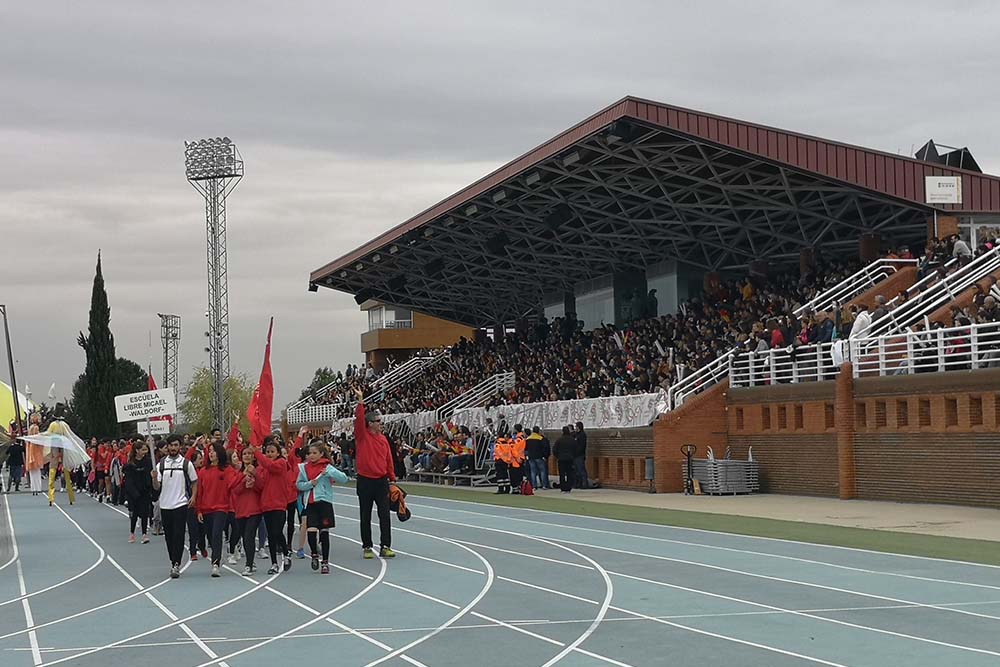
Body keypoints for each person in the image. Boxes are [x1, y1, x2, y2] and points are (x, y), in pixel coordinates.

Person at [352, 386, 396, 560]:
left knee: (384, 515)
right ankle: (367, 546)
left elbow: (388, 459)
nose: (380, 423)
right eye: (377, 420)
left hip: (381, 481)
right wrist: (361, 402)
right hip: (365, 481)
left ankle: (385, 545)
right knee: (365, 514)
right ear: (369, 423)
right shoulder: (362, 436)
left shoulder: (383, 439)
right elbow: (358, 420)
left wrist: (392, 478)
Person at [295, 440, 349, 574]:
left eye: (314, 453)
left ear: (321, 454)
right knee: (311, 530)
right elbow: (299, 485)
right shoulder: (304, 468)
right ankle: (314, 554)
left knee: (324, 532)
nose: (311, 456)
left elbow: (344, 478)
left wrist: (330, 472)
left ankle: (325, 562)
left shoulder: (327, 467)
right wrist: (309, 484)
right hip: (311, 503)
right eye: (309, 453)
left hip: (324, 503)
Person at [152, 434, 199, 579]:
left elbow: (194, 481)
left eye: (176, 445)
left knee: (178, 535)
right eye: (171, 445)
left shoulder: (186, 464)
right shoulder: (161, 465)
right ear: (167, 447)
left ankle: (176, 564)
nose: (173, 448)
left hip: (180, 504)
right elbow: (156, 487)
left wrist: (193, 496)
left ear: (180, 446)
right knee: (169, 537)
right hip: (165, 505)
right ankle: (173, 560)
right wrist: (154, 478)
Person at [197, 442, 239, 577]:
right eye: (209, 451)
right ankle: (215, 558)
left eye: (213, 451)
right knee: (210, 536)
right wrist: (198, 510)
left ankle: (216, 563)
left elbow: (234, 483)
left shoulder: (227, 470)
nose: (211, 453)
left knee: (216, 534)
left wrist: (243, 474)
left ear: (219, 453)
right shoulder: (203, 471)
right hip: (206, 508)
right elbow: (200, 492)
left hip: (221, 508)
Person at [253, 436, 294, 574]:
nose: (269, 454)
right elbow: (260, 486)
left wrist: (257, 453)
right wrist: (255, 475)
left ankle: (286, 552)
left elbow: (272, 466)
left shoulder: (281, 463)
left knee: (277, 531)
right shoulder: (263, 468)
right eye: (267, 452)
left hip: (279, 504)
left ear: (278, 453)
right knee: (271, 536)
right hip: (266, 504)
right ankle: (274, 563)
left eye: (272, 451)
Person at [230, 446, 263, 576]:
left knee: (249, 536)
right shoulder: (237, 472)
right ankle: (251, 561)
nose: (247, 456)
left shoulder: (258, 470)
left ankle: (248, 565)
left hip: (255, 509)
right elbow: (234, 489)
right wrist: (244, 482)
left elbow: (262, 487)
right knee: (244, 537)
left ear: (253, 456)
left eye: (249, 453)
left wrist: (254, 478)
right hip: (240, 509)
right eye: (244, 454)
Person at [123, 441, 154, 543]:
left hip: (145, 490)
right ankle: (132, 533)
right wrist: (133, 493)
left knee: (145, 513)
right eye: (143, 450)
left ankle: (144, 534)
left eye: (146, 449)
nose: (145, 452)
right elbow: (128, 480)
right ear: (137, 451)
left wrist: (150, 487)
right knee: (135, 513)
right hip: (134, 492)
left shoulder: (148, 461)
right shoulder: (130, 464)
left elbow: (150, 475)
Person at [553, 426, 576, 493]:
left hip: (561, 459)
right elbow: (576, 449)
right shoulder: (572, 440)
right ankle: (568, 488)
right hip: (570, 459)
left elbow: (554, 449)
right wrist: (573, 456)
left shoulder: (559, 440)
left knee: (562, 474)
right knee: (570, 474)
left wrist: (557, 456)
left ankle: (563, 488)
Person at [573, 421, 589, 489]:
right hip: (575, 455)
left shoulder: (582, 435)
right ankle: (578, 484)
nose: (575, 428)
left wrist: (577, 452)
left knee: (581, 470)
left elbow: (582, 446)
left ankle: (584, 484)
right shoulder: (576, 434)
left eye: (576, 427)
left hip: (580, 455)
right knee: (576, 471)